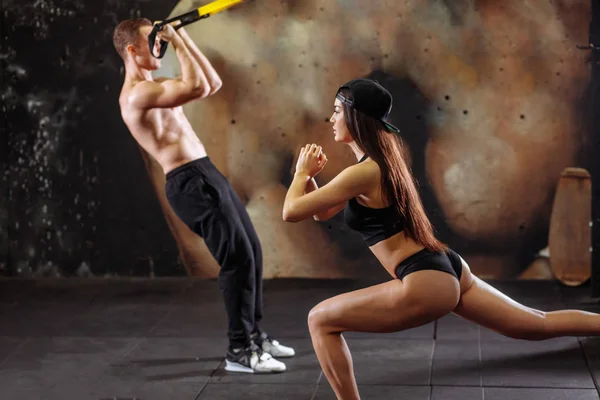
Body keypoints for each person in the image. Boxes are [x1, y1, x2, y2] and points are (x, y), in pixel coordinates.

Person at [282, 78, 600, 399]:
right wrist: (310, 179)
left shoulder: (364, 172)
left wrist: (300, 174)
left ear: (354, 116)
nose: (331, 119)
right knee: (536, 324)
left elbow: (291, 211)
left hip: (424, 278)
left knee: (320, 319)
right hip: (444, 266)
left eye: (337, 111)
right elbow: (320, 212)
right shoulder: (377, 162)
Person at [113, 17, 294, 374]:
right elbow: (197, 87)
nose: (159, 45)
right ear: (132, 51)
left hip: (204, 171)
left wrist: (183, 38)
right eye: (152, 40)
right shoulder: (137, 94)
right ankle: (240, 350)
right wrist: (178, 41)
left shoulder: (158, 84)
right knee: (236, 260)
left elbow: (211, 83)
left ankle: (255, 335)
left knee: (252, 251)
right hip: (188, 181)